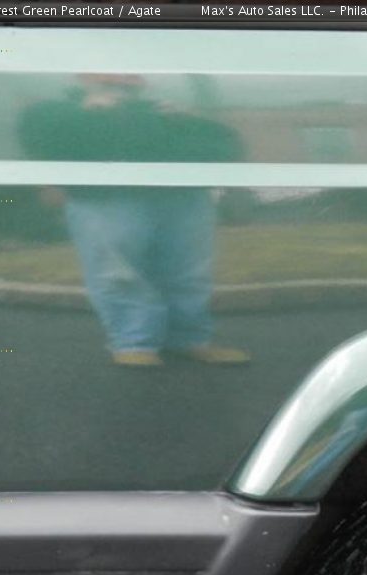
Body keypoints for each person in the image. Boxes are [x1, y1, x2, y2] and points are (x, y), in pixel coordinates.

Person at [21, 74, 249, 366]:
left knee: (189, 273)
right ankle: (134, 343)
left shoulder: (161, 112)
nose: (120, 93)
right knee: (118, 272)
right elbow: (41, 141)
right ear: (83, 85)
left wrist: (187, 121)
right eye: (109, 86)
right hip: (106, 201)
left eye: (129, 87)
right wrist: (83, 113)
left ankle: (191, 340)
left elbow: (226, 145)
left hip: (183, 196)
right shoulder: (52, 112)